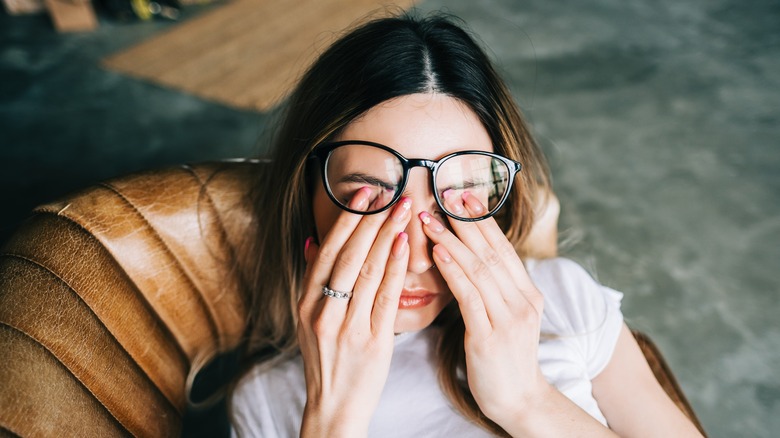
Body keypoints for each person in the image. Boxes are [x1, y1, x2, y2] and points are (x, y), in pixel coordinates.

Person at [229, 12, 703, 437]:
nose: (416, 257)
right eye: (368, 198)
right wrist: (332, 421)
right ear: (306, 194)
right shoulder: (266, 403)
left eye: (456, 197)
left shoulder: (562, 302)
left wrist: (526, 401)